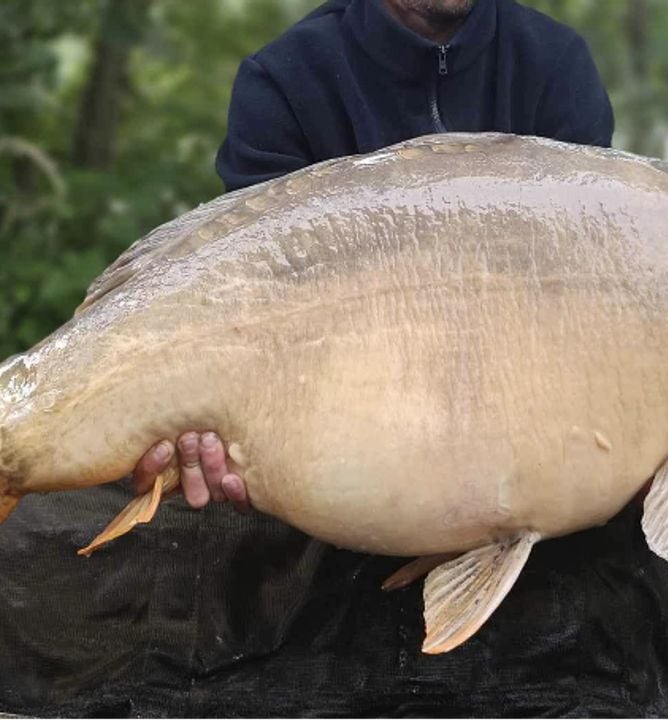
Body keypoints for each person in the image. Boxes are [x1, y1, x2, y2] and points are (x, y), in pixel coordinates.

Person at [132, 0, 616, 510]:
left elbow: (584, 298)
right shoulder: (283, 78)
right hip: (342, 421)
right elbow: (249, 305)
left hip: (520, 419)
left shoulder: (557, 63)